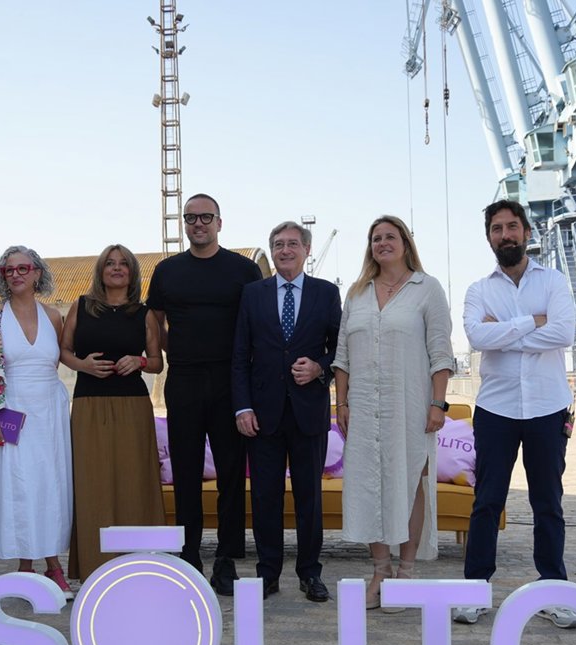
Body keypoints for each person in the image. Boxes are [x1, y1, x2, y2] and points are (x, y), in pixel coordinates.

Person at [453, 200, 576, 628]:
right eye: (497, 228)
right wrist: (532, 322)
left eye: (512, 227)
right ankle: (475, 590)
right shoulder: (478, 290)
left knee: (548, 503)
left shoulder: (554, 281)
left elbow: (563, 332)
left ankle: (554, 591)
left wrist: (505, 331)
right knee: (487, 502)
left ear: (527, 232)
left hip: (547, 406)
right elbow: (477, 337)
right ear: (489, 237)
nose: (505, 235)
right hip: (496, 409)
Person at [333, 215, 454, 611]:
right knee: (369, 485)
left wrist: (438, 404)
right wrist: (341, 403)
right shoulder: (357, 294)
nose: (382, 243)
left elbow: (441, 352)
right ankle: (380, 570)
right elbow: (342, 357)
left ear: (405, 243)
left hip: (411, 405)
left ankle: (406, 572)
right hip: (363, 408)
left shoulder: (427, 289)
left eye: (389, 237)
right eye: (375, 238)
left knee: (409, 481)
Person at [146, 193, 263, 595]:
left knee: (231, 474)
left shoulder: (244, 270)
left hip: (231, 382)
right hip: (184, 380)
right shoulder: (167, 271)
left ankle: (226, 560)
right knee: (186, 472)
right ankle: (189, 555)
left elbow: (257, 321)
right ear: (185, 223)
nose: (198, 224)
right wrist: (171, 349)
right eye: (191, 218)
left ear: (219, 222)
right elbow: (154, 318)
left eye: (205, 217)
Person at [232, 221, 342, 602]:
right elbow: (240, 355)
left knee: (309, 497)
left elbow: (340, 349)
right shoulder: (253, 294)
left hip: (309, 412)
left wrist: (319, 368)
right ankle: (268, 573)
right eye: (278, 244)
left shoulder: (326, 294)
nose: (285, 250)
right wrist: (243, 407)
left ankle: (310, 573)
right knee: (265, 497)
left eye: (293, 244)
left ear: (307, 250)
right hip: (262, 416)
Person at [0, 246, 73, 595]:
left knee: (50, 487)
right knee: (19, 488)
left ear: (37, 273)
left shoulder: (54, 316)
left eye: (23, 268)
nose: (16, 274)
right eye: (8, 270)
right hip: (10, 411)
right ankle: (27, 568)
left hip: (50, 412)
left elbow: (56, 362)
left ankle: (53, 566)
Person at [60, 244, 165, 581]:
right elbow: (63, 351)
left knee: (136, 482)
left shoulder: (144, 314)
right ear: (100, 271)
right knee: (92, 483)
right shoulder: (81, 306)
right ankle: (94, 566)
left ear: (132, 272)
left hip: (132, 407)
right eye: (110, 263)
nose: (117, 268)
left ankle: (140, 565)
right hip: (89, 405)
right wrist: (83, 365)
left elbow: (158, 362)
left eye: (123, 264)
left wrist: (140, 361)